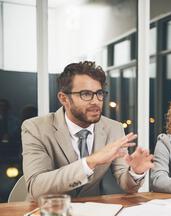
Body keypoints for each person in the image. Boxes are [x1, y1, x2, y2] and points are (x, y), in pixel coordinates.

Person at [22, 61, 154, 201]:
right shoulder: (36, 128)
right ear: (64, 98)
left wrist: (135, 172)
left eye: (99, 93)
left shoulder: (113, 128)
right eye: (85, 94)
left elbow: (127, 185)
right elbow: (36, 187)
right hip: (46, 212)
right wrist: (90, 161)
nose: (96, 101)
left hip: (92, 212)